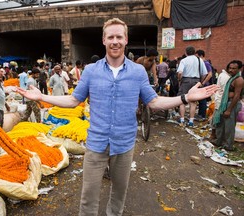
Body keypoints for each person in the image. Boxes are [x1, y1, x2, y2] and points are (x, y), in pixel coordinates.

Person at [16, 18, 218, 215]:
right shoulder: (91, 71)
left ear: (126, 40)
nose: (115, 41)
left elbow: (154, 102)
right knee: (88, 195)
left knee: (119, 192)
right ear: (103, 40)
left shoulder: (138, 72)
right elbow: (73, 101)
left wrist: (185, 97)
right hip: (96, 143)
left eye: (119, 37)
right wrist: (42, 96)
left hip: (124, 143)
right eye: (110, 37)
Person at [212, 60, 244, 151]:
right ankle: (219, 141)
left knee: (229, 126)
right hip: (225, 103)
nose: (231, 70)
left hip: (232, 104)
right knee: (221, 123)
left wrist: (229, 109)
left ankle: (228, 145)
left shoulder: (239, 80)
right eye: (230, 68)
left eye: (234, 68)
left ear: (239, 69)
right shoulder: (232, 78)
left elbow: (237, 95)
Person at [177, 46, 209, 127]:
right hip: (196, 81)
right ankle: (191, 121)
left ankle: (182, 119)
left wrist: (179, 79)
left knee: (182, 100)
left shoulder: (184, 60)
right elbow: (205, 73)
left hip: (186, 80)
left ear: (186, 52)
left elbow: (180, 72)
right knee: (193, 102)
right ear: (194, 52)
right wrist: (200, 81)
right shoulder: (199, 60)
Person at [209, 65, 231, 139]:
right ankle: (215, 135)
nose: (232, 70)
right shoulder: (226, 77)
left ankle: (214, 134)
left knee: (216, 117)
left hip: (219, 99)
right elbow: (225, 91)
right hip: (221, 99)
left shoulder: (222, 75)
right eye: (230, 68)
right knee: (217, 118)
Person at [195, 49, 213, 121]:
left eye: (197, 57)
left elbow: (210, 74)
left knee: (202, 100)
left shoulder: (205, 63)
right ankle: (200, 114)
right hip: (202, 84)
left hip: (204, 84)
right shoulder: (203, 63)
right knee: (201, 100)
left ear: (201, 56)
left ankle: (202, 115)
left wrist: (203, 83)